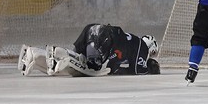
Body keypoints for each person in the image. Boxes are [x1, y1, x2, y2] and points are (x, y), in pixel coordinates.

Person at [18, 23, 160, 77]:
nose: (149, 56)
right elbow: (138, 70)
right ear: (150, 46)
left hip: (93, 29)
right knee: (91, 66)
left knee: (82, 62)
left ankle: (33, 54)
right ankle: (57, 52)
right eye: (152, 53)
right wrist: (152, 69)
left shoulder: (129, 46)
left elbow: (112, 68)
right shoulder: (141, 46)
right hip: (105, 35)